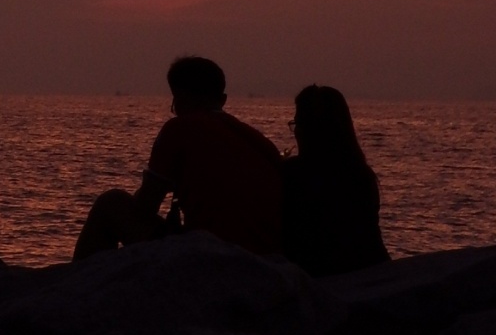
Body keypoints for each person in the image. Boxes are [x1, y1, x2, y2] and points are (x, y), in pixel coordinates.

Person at [74, 55, 283, 260]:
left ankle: (78, 286)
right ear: (222, 99)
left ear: (179, 97)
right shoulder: (258, 141)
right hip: (263, 256)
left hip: (213, 254)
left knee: (111, 203)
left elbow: (146, 205)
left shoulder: (180, 129)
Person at [281, 84, 389, 276]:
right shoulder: (361, 175)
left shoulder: (293, 175)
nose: (296, 131)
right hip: (368, 273)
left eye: (300, 124)